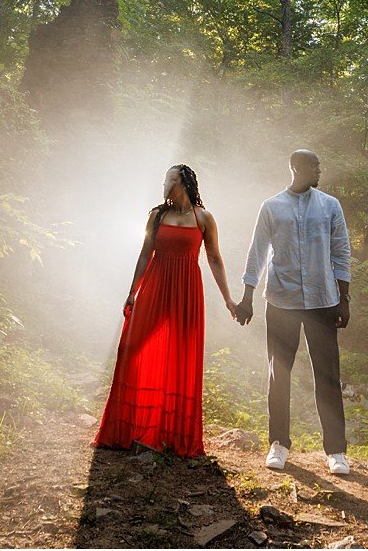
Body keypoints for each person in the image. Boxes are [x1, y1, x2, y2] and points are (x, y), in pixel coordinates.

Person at [93, 163, 237, 458]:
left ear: (182, 183)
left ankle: (175, 433)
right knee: (133, 348)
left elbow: (214, 259)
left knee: (182, 356)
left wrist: (228, 299)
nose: (164, 184)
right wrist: (132, 292)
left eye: (169, 179)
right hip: (156, 285)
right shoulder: (157, 216)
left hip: (186, 290)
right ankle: (128, 427)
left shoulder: (204, 218)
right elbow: (145, 253)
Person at [234, 149, 352, 476]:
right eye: (314, 165)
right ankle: (279, 444)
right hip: (282, 301)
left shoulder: (330, 206)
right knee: (279, 373)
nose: (319, 169)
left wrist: (344, 299)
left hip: (322, 301)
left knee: (328, 376)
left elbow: (341, 251)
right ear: (298, 168)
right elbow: (256, 253)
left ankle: (336, 451)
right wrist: (247, 297)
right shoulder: (272, 207)